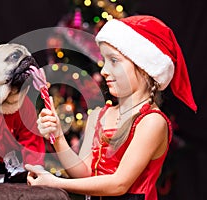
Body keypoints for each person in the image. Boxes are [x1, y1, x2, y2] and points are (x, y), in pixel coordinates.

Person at [25, 15, 197, 200]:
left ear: (144, 67)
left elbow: (119, 184)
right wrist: (58, 137)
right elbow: (84, 174)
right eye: (104, 61)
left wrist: (56, 183)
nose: (104, 70)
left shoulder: (152, 121)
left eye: (114, 61)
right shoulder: (99, 116)